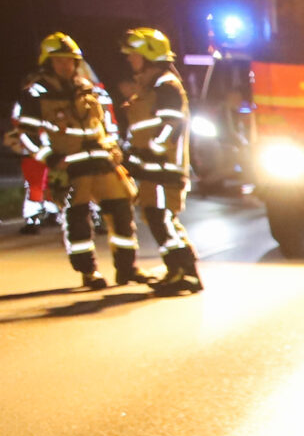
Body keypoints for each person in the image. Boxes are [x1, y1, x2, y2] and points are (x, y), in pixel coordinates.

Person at [25, 34, 138, 288]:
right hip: (71, 168)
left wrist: (113, 148)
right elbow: (22, 135)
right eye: (59, 61)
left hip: (102, 162)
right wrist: (51, 158)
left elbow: (105, 124)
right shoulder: (36, 93)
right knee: (78, 220)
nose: (66, 66)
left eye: (70, 61)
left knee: (121, 209)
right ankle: (89, 273)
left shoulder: (87, 88)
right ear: (48, 63)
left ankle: (127, 269)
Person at [117, 28, 201, 295]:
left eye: (134, 55)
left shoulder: (165, 86)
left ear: (149, 56)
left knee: (160, 218)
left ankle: (181, 272)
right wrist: (130, 153)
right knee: (161, 218)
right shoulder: (150, 87)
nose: (130, 60)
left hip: (164, 168)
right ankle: (183, 272)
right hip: (152, 168)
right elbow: (140, 129)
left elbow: (170, 125)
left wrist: (152, 150)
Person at [7, 69, 58, 234]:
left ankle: (32, 219)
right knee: (48, 183)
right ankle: (52, 215)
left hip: (31, 149)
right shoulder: (50, 96)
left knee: (35, 185)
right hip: (50, 148)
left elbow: (18, 123)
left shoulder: (26, 99)